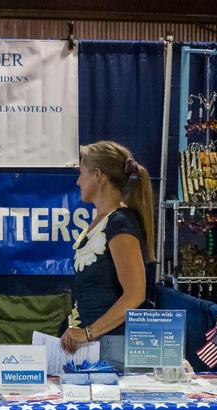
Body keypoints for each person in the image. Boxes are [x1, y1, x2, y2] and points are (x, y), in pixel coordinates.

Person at [60, 140, 156, 360]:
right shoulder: (101, 222)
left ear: (97, 175)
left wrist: (88, 332)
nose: (77, 181)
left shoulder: (120, 222)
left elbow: (135, 294)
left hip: (113, 346)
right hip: (94, 344)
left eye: (81, 173)